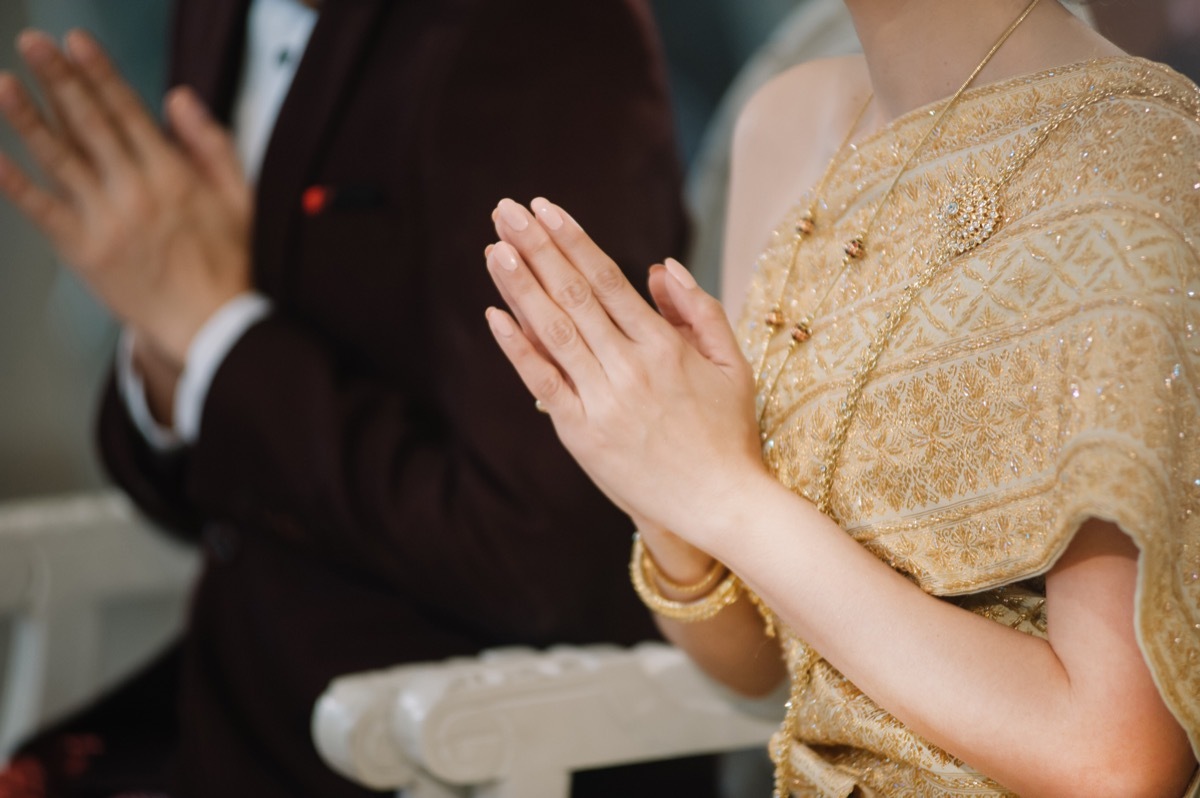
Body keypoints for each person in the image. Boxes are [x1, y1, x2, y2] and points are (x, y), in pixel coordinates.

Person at [482, 0, 1200, 794]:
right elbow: (760, 665)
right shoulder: (787, 127)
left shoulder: (1137, 166)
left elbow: (1114, 761)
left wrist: (723, 495)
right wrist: (656, 484)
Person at [0, 1, 716, 796]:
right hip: (224, 707)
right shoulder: (214, 14)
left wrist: (216, 336)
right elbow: (194, 500)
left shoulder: (542, 29)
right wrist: (172, 349)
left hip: (443, 748)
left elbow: (542, 563)